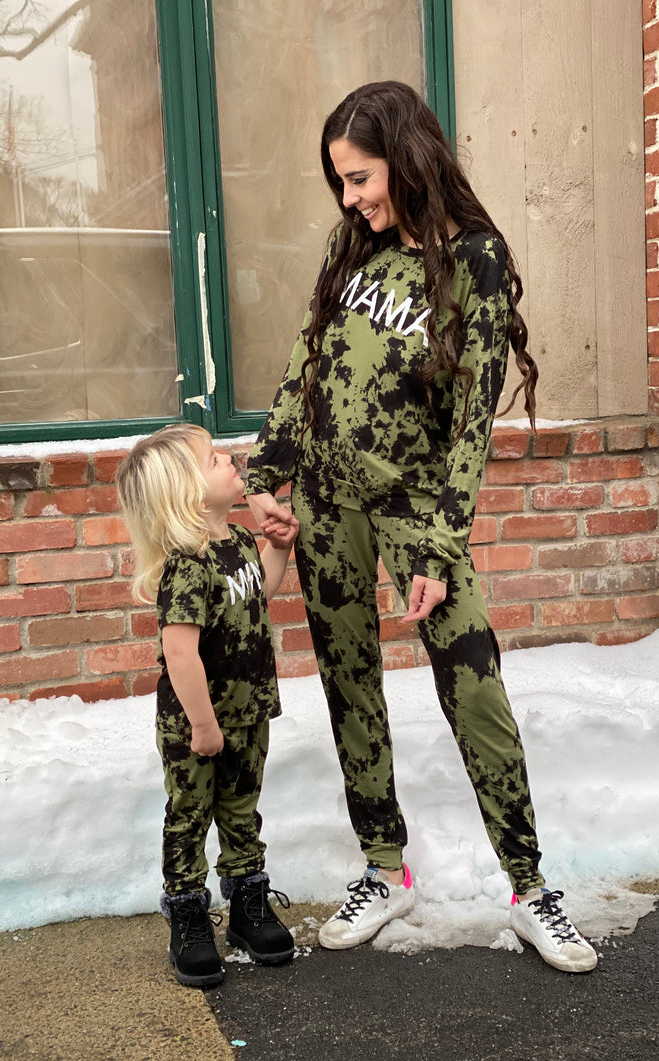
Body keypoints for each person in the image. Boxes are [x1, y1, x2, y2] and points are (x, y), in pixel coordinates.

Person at [244, 81, 597, 974]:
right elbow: (304, 367)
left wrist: (440, 545)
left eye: (360, 178)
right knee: (348, 680)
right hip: (325, 503)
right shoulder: (351, 254)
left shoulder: (472, 257)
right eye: (341, 185)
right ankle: (384, 866)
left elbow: (472, 419)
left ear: (404, 157)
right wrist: (269, 477)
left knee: (474, 687)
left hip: (414, 511)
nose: (351, 199)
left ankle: (528, 886)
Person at [117, 423, 298, 987]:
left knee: (242, 811)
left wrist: (279, 548)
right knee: (190, 816)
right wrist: (201, 724)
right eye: (215, 457)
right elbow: (180, 653)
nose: (231, 458)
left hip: (247, 714)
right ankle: (189, 911)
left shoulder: (240, 542)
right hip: (197, 724)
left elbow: (258, 590)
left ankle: (247, 903)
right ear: (187, 494)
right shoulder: (187, 566)